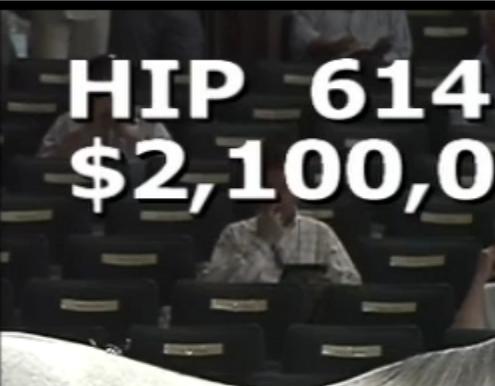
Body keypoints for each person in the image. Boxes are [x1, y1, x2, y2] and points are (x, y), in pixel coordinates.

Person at [200, 142, 361, 286]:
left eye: (283, 189)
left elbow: (352, 284)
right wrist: (263, 243)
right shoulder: (235, 234)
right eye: (269, 189)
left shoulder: (320, 233)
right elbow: (217, 288)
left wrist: (321, 282)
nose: (276, 198)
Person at [37, 54, 173, 159]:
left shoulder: (149, 120)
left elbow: (167, 164)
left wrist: (130, 135)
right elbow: (46, 165)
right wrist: (91, 130)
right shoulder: (68, 121)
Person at [290, 9, 411, 64]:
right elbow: (301, 39)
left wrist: (382, 59)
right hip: (325, 72)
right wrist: (329, 47)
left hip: (376, 78)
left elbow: (403, 49)